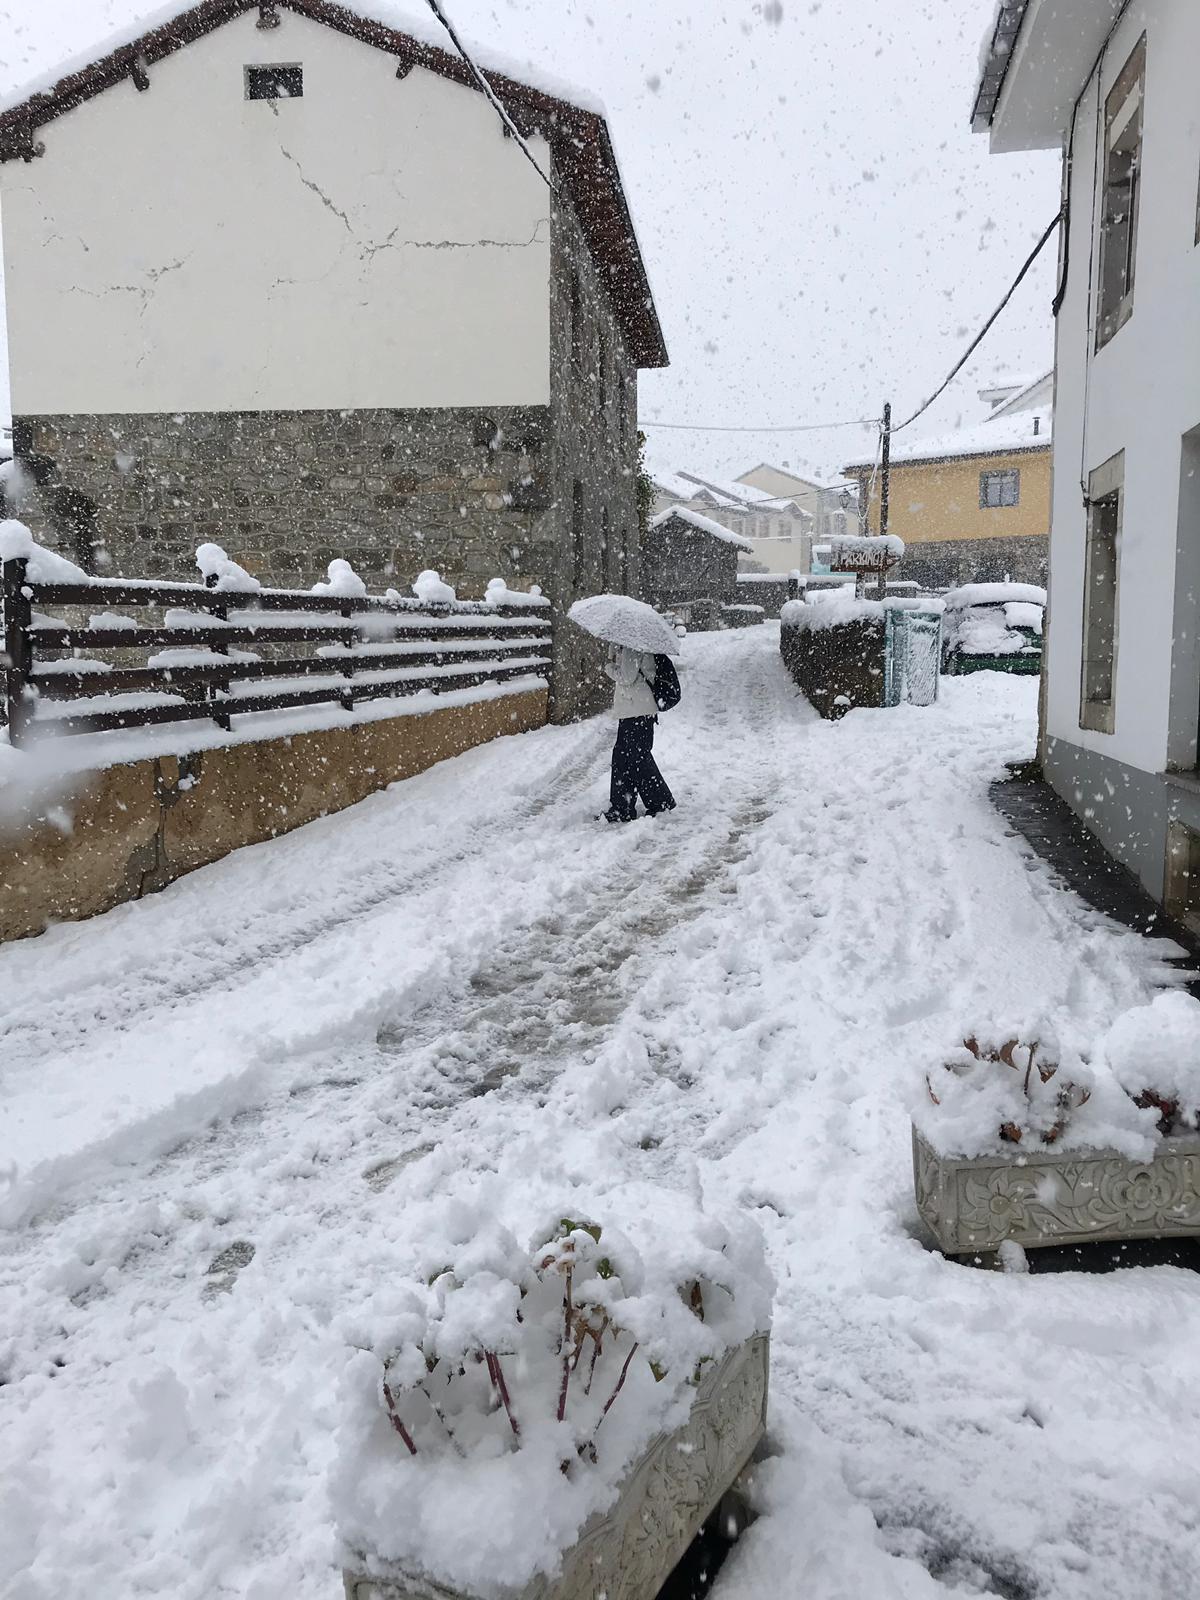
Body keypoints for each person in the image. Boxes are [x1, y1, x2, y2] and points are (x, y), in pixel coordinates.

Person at [601, 643, 676, 823]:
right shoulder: (632, 644)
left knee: (637, 758)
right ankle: (622, 806)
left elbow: (626, 676)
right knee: (624, 757)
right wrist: (615, 651)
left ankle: (659, 802)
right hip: (633, 709)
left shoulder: (632, 646)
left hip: (637, 710)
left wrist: (608, 667)